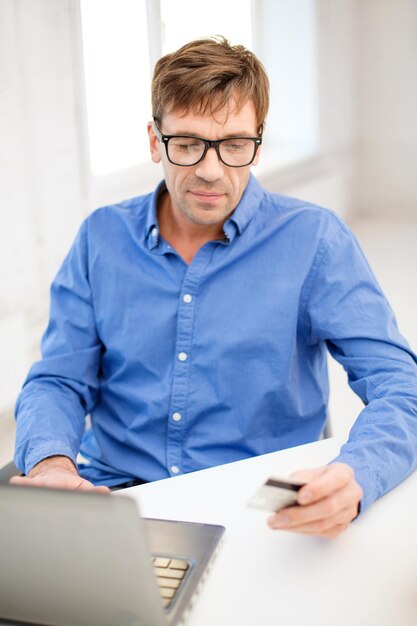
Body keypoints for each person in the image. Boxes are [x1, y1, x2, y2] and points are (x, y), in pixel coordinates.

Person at [11, 37, 417, 538]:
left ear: (258, 143)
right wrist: (52, 465)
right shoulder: (101, 238)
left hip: (255, 508)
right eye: (187, 144)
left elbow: (402, 387)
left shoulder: (315, 240)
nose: (210, 170)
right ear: (154, 141)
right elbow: (59, 379)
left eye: (233, 145)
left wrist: (357, 474)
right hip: (112, 494)